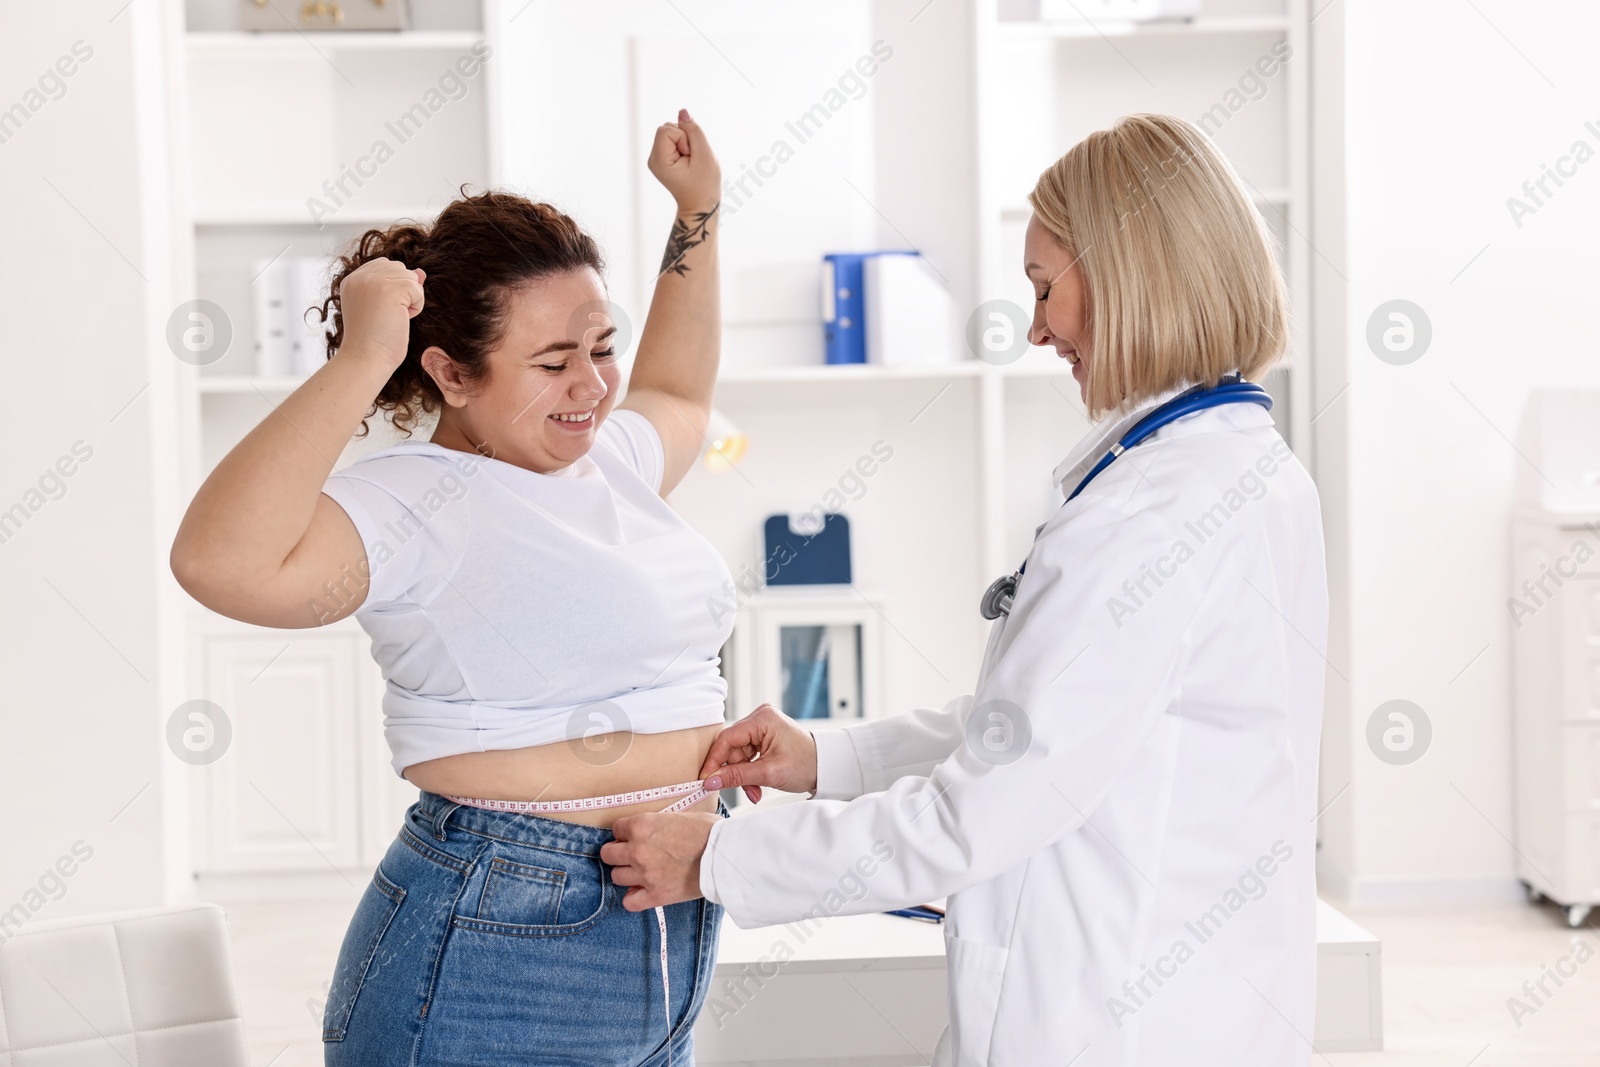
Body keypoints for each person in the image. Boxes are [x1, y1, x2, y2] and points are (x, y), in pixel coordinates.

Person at [601, 113, 1330, 1067]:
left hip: (1113, 1020)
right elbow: (1050, 730)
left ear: (1132, 270)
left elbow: (980, 811)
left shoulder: (1148, 512)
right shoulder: (1246, 469)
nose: (1035, 329)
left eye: (1043, 287)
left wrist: (717, 858)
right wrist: (826, 755)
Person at [171, 111, 730, 1066]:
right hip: (495, 929)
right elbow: (220, 562)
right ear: (448, 372)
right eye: (552, 363)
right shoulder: (411, 500)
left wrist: (699, 213)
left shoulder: (612, 463)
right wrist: (361, 358)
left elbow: (675, 392)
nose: (592, 386)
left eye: (600, 346)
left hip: (671, 917)